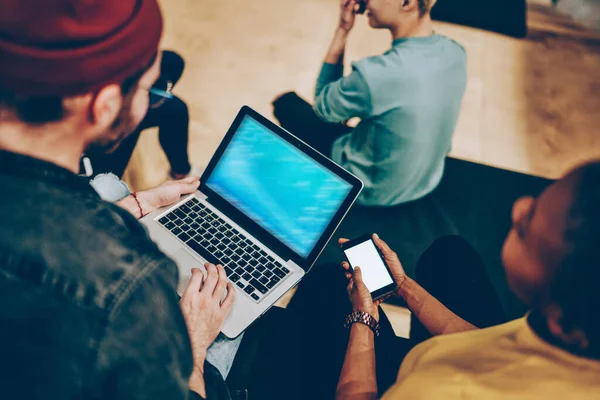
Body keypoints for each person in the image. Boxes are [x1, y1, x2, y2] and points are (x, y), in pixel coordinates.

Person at [0, 1, 237, 399]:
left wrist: (140, 204)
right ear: (105, 105)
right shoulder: (131, 284)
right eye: (149, 87)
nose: (153, 98)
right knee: (228, 334)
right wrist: (193, 346)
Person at [254, 161, 600, 399]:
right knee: (450, 253)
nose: (519, 206)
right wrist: (402, 285)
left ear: (562, 314)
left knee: (327, 284)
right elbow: (481, 345)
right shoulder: (571, 338)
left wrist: (363, 319)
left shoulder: (443, 389)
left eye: (528, 225)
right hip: (444, 357)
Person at [273, 0, 466, 206]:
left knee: (286, 105)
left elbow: (323, 107)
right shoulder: (455, 52)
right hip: (425, 182)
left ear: (407, 3)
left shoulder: (377, 75)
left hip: (372, 192)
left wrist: (343, 29)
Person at [85, 50, 195, 179]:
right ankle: (181, 172)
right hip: (99, 173)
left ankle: (180, 170)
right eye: (146, 89)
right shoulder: (95, 189)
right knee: (175, 110)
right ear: (106, 103)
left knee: (171, 62)